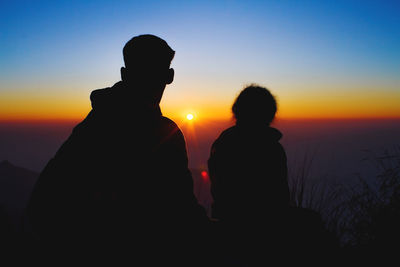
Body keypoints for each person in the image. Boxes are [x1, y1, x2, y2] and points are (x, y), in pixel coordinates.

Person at [27, 34, 210, 264]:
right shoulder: (166, 134)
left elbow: (41, 206)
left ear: (123, 74)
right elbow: (181, 211)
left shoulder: (92, 127)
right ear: (169, 76)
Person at [208, 85, 290, 264]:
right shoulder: (272, 150)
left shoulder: (223, 145)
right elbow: (280, 196)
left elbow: (218, 189)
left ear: (237, 112)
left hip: (228, 225)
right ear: (269, 114)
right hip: (264, 233)